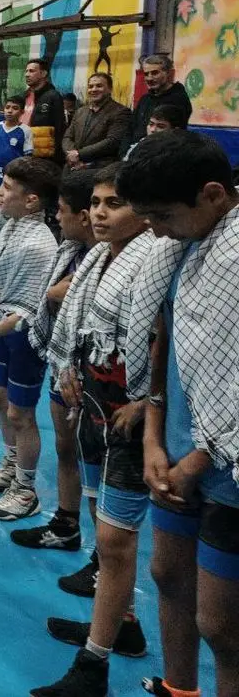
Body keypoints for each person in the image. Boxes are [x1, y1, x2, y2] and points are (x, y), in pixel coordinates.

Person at [119, 130, 239, 697]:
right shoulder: (179, 248)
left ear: (213, 194)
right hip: (175, 444)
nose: (155, 230)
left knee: (222, 625)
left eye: (163, 215)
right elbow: (165, 342)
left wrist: (199, 459)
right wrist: (153, 437)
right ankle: (178, 688)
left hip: (227, 461)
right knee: (168, 574)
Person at [34, 165, 158, 697]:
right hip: (93, 400)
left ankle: (95, 663)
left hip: (130, 411)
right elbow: (78, 325)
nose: (101, 214)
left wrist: (149, 400)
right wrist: (69, 369)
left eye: (115, 204)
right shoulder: (98, 258)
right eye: (98, 203)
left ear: (144, 212)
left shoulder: (155, 258)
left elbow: (163, 339)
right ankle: (121, 624)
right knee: (99, 520)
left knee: (115, 538)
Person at [0, 157, 60, 519]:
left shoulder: (39, 245)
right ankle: (10, 464)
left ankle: (25, 490)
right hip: (8, 331)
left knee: (22, 413)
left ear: (32, 200)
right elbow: (2, 283)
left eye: (7, 188)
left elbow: (30, 311)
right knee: (0, 397)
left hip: (25, 340)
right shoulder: (12, 227)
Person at [12, 170, 99, 552]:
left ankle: (103, 557)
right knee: (66, 446)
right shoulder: (71, 252)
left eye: (62, 210)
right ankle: (66, 523)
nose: (57, 217)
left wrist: (66, 291)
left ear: (84, 216)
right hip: (63, 363)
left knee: (96, 461)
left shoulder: (114, 261)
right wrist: (54, 293)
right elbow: (52, 295)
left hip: (94, 372)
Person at [0, 96, 34, 238]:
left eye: (15, 108)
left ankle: (6, 240)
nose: (10, 111)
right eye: (7, 107)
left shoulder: (26, 130)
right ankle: (15, 234)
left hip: (12, 180)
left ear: (22, 112)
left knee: (6, 213)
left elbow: (27, 158)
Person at [64, 73, 132, 170]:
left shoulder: (121, 112)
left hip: (100, 169)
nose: (94, 89)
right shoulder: (80, 111)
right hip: (73, 164)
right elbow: (67, 137)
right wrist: (72, 155)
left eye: (99, 86)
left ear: (110, 89)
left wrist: (79, 154)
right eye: (90, 86)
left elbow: (112, 142)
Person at [129, 54, 193, 148]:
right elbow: (130, 129)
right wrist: (124, 153)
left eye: (155, 73)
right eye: (146, 74)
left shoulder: (178, 100)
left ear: (168, 73)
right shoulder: (145, 99)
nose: (149, 78)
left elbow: (173, 138)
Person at [20, 58, 66, 163]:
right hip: (20, 149)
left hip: (41, 155)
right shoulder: (24, 96)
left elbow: (59, 129)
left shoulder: (53, 96)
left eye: (31, 71)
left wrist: (56, 157)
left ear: (43, 73)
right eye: (26, 71)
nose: (27, 74)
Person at [124, 101, 190, 160]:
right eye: (151, 124)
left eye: (161, 126)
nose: (153, 130)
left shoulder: (180, 154)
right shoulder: (139, 145)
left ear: (175, 130)